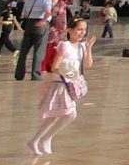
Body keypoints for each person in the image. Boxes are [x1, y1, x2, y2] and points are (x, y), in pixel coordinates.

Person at [28, 16, 96, 155]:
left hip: (72, 85)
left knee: (66, 115)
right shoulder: (64, 45)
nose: (82, 32)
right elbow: (54, 67)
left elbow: (88, 65)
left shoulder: (82, 46)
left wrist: (88, 48)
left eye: (84, 30)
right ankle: (40, 139)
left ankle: (43, 139)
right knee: (61, 115)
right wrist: (66, 73)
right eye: (79, 29)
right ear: (70, 30)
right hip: (61, 84)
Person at [15, 0, 55, 81]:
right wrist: (44, 21)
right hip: (40, 25)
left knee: (24, 51)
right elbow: (48, 11)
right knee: (38, 51)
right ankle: (35, 75)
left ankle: (19, 74)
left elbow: (23, 13)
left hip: (29, 23)